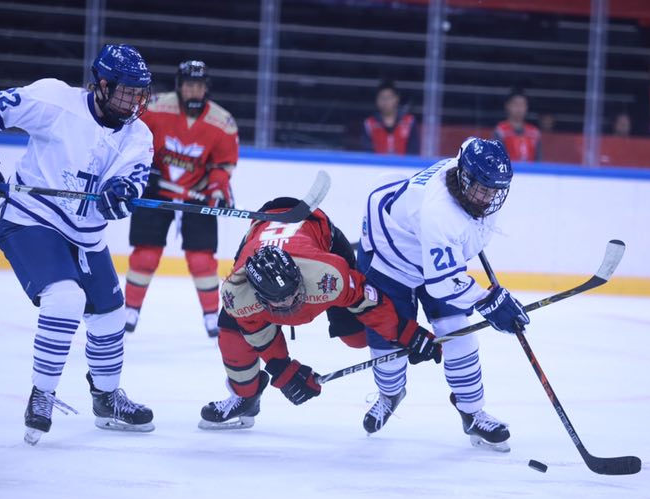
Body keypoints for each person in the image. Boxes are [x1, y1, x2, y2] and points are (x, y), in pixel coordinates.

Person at [0, 44, 156, 445]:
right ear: (102, 86)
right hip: (31, 220)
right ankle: (42, 393)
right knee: (65, 299)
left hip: (86, 235)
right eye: (127, 91)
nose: (136, 101)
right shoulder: (55, 100)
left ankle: (106, 399)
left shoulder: (140, 135)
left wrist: (120, 193)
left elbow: (132, 179)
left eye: (141, 92)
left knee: (109, 314)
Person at [198, 198, 442, 430]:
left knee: (357, 337)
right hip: (260, 238)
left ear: (298, 278)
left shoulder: (327, 274)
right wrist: (283, 370)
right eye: (278, 301)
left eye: (292, 294)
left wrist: (407, 334)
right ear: (257, 293)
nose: (289, 304)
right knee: (232, 337)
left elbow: (369, 303)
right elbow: (257, 332)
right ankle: (245, 398)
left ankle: (392, 387)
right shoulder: (238, 293)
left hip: (319, 232)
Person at [357, 137, 529, 452]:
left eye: (496, 189)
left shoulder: (471, 185)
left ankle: (473, 412)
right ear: (463, 178)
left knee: (457, 330)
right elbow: (441, 283)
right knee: (388, 334)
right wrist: (489, 301)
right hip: (389, 252)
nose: (489, 196)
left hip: (425, 241)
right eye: (482, 188)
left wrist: (485, 297)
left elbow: (459, 245)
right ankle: (390, 393)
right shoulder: (440, 213)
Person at [124, 60, 239, 338]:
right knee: (145, 255)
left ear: (206, 89)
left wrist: (215, 190)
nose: (194, 91)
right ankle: (130, 310)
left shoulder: (222, 122)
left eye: (199, 86)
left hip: (195, 193)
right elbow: (131, 141)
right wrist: (143, 169)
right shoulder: (153, 108)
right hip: (155, 190)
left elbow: (222, 167)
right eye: (189, 85)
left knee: (201, 261)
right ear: (179, 86)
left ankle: (212, 317)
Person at [362, 80, 420, 155]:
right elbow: (367, 151)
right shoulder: (369, 124)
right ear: (376, 100)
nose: (385, 101)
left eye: (389, 97)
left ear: (396, 99)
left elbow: (413, 150)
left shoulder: (409, 121)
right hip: (377, 165)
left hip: (404, 165)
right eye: (382, 98)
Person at [494, 91, 542, 162]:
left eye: (522, 104)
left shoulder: (534, 132)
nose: (519, 108)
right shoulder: (500, 131)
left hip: (530, 172)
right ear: (508, 106)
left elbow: (539, 160)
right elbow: (496, 158)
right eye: (516, 104)